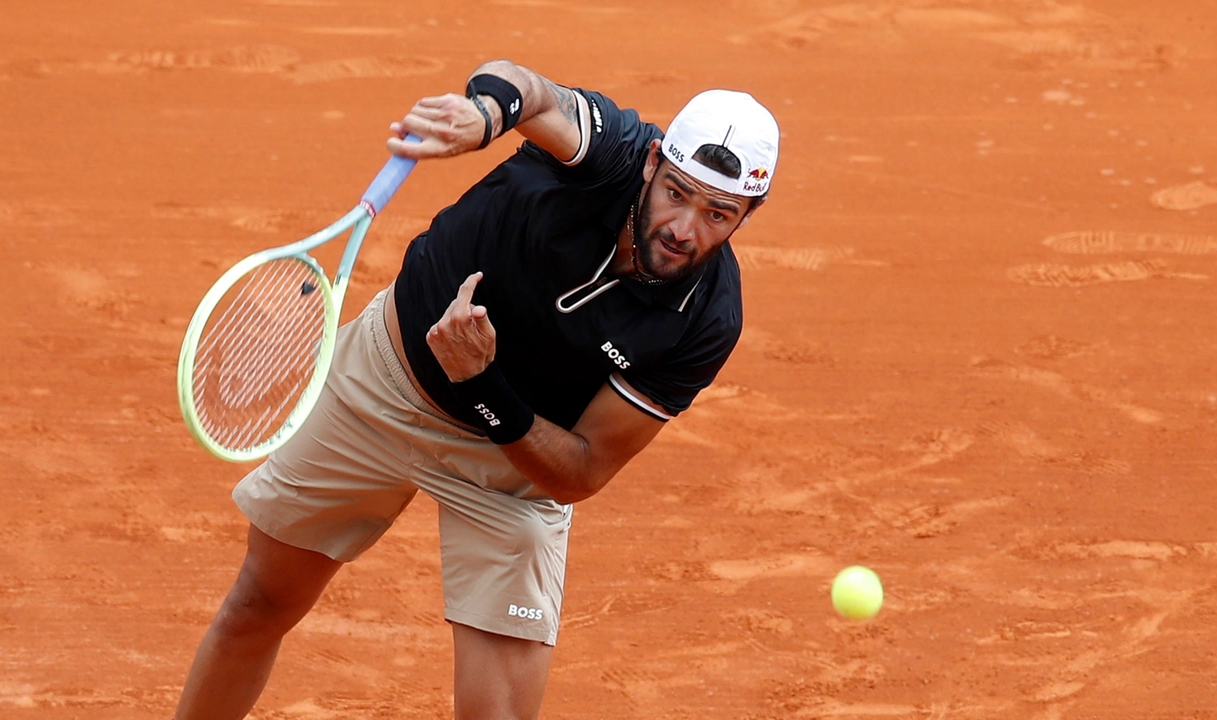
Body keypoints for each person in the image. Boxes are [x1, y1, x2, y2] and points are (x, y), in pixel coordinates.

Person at [173, 59, 779, 720]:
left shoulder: (707, 319)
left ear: (748, 214)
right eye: (677, 192)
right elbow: (532, 91)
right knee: (259, 604)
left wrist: (484, 384)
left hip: (510, 470)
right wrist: (487, 115)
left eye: (719, 213)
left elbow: (583, 470)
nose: (684, 228)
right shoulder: (609, 152)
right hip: (384, 384)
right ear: (652, 162)